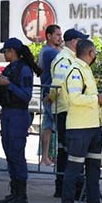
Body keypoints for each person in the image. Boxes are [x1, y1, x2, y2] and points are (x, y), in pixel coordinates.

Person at [60, 39, 102, 203]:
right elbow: (75, 99)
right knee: (74, 167)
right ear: (90, 53)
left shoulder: (86, 70)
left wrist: (98, 100)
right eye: (95, 52)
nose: (95, 55)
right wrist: (97, 99)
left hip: (93, 126)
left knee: (93, 168)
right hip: (79, 128)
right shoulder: (75, 71)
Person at [0, 37, 42, 203]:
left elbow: (26, 96)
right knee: (8, 152)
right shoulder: (9, 69)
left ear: (12, 51)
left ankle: (21, 195)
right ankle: (14, 192)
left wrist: (9, 85)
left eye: (6, 52)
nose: (4, 55)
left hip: (18, 114)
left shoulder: (24, 70)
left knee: (16, 154)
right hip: (7, 113)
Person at [49, 28, 89, 198]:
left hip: (71, 111)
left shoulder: (72, 59)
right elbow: (56, 86)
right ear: (74, 42)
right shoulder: (64, 60)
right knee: (70, 151)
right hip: (66, 110)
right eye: (81, 41)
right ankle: (67, 189)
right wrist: (50, 98)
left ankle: (64, 188)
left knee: (66, 151)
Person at [38, 24, 62, 166]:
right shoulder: (49, 52)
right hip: (50, 93)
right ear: (49, 36)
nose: (60, 38)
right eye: (57, 35)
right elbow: (65, 57)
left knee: (48, 125)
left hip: (49, 90)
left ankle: (46, 157)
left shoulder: (47, 51)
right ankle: (48, 156)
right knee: (55, 124)